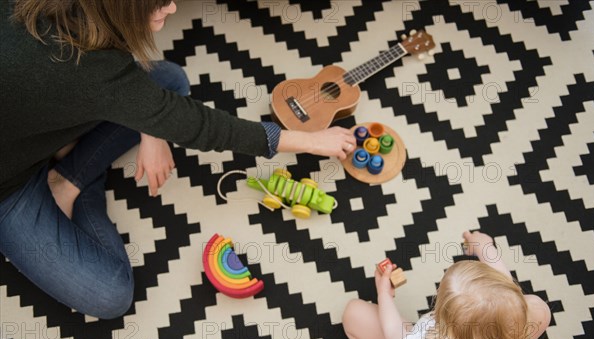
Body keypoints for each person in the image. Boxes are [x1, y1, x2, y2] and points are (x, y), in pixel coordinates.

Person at [0, 0, 357, 319]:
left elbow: (126, 88)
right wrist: (308, 140)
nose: (172, 8)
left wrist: (151, 130)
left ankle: (67, 178)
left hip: (34, 127)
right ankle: (74, 178)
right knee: (110, 294)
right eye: (161, 3)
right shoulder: (93, 73)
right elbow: (206, 128)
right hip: (8, 189)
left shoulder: (85, 31)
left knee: (169, 79)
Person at [342, 231, 552, 339]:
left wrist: (383, 294)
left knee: (353, 313)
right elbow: (504, 287)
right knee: (537, 307)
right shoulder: (519, 322)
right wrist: (485, 248)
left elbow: (393, 332)